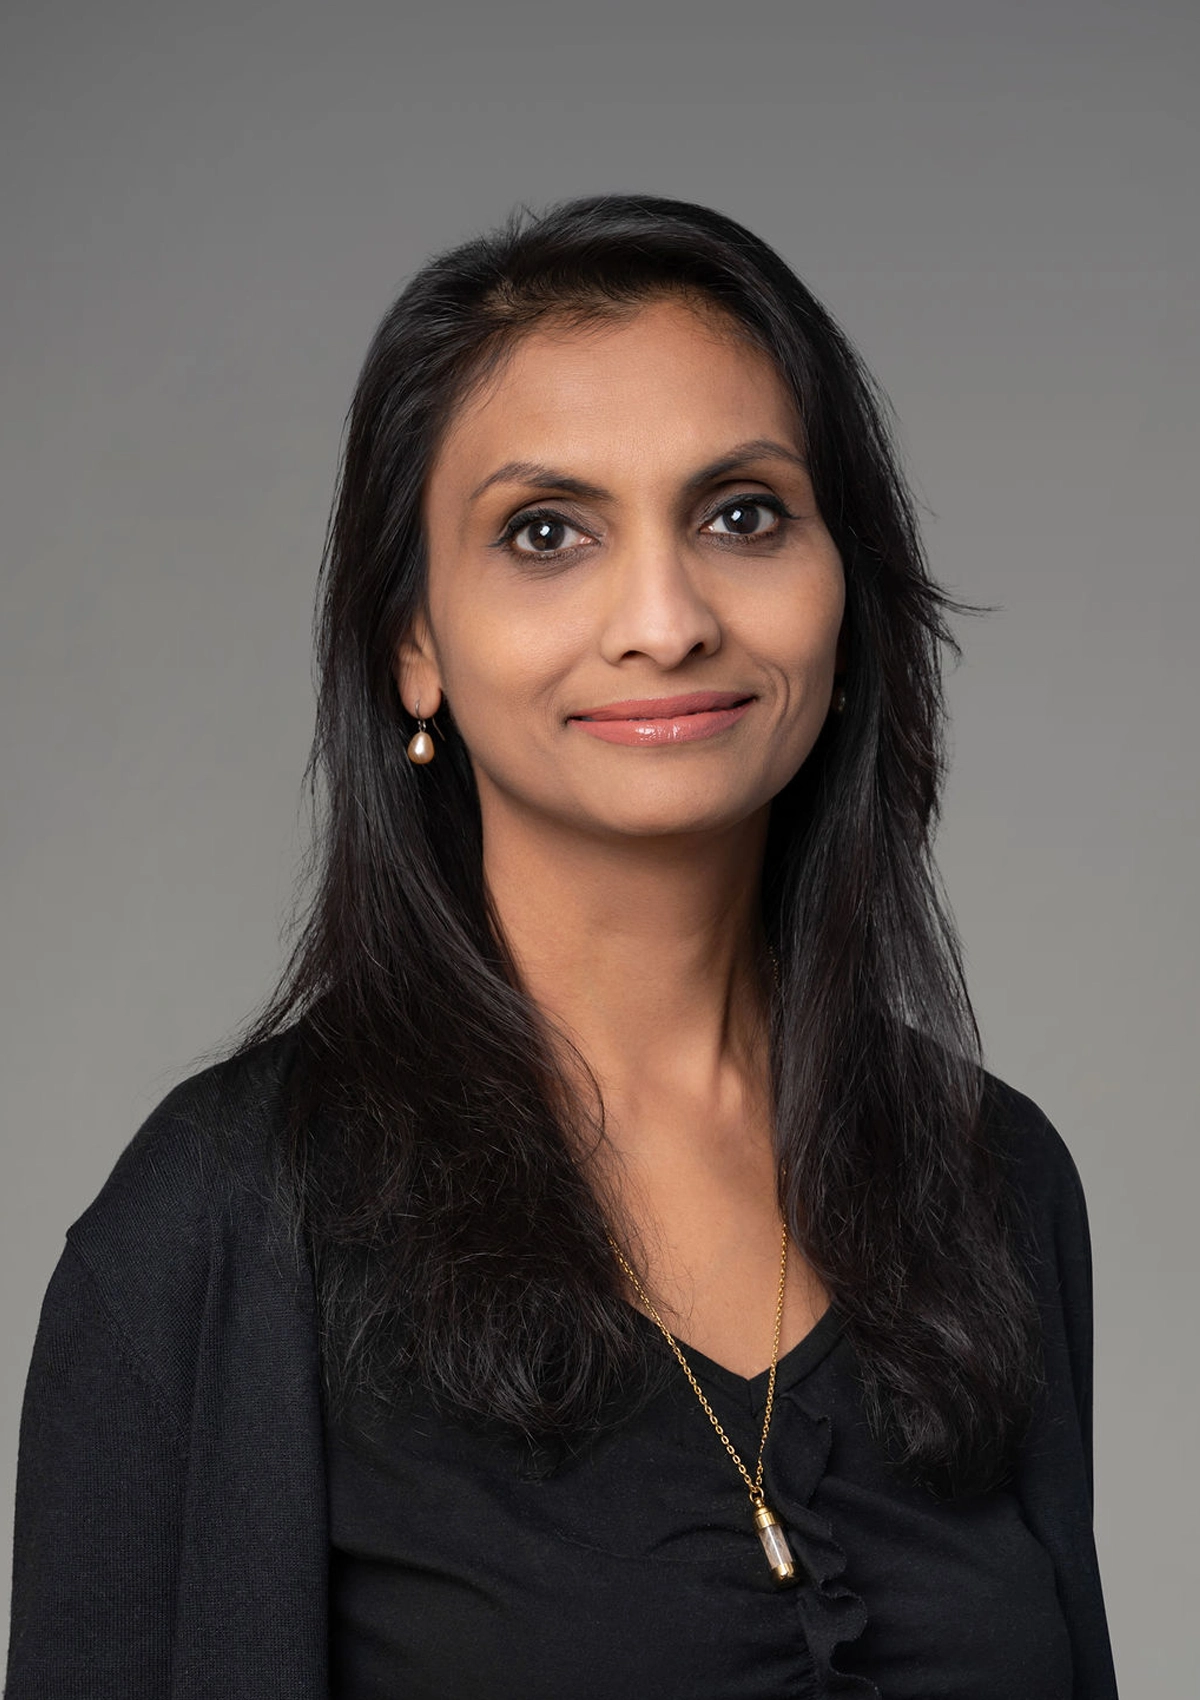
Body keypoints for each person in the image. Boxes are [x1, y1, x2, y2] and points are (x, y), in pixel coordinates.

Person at [4, 194, 1118, 1699]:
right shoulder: (218, 1226)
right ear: (414, 641)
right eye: (546, 532)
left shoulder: (993, 1179)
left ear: (842, 592)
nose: (665, 620)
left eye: (742, 514)